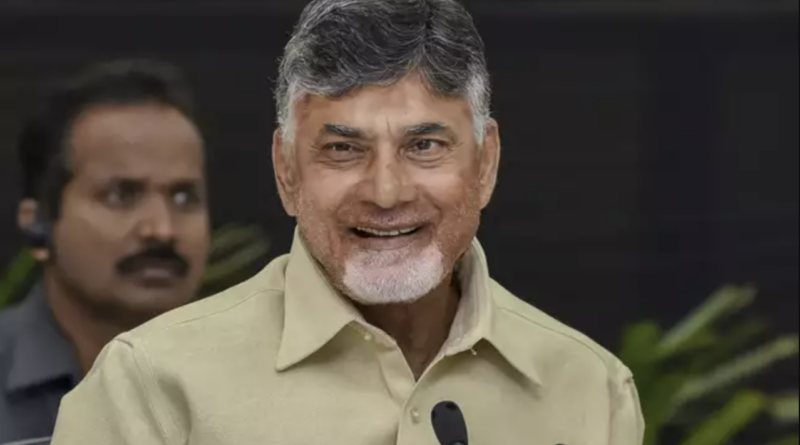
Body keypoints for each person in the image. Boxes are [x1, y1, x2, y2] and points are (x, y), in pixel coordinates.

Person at [51, 1, 645, 444]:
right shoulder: (152, 386)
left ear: (486, 163)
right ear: (286, 171)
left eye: (426, 145)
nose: (386, 191)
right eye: (342, 149)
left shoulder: (592, 389)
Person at [0, 59, 211, 444]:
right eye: (120, 195)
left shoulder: (265, 381)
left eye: (184, 197)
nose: (161, 229)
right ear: (39, 225)